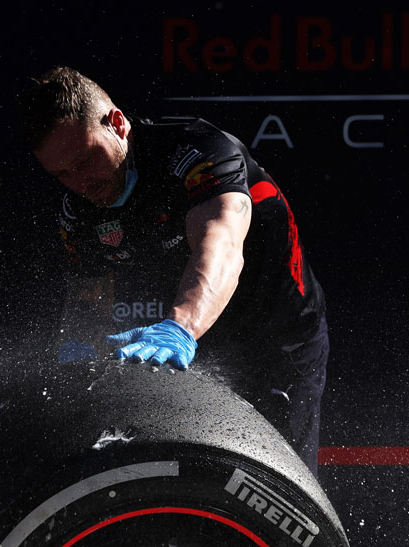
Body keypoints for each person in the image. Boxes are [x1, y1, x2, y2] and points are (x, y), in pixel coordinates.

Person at [17, 66, 329, 475]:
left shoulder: (198, 151)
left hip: (276, 337)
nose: (80, 183)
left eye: (85, 160)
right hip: (193, 340)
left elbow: (222, 246)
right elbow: (87, 300)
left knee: (275, 482)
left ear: (116, 123)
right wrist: (75, 363)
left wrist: (178, 327)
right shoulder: (77, 212)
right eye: (62, 174)